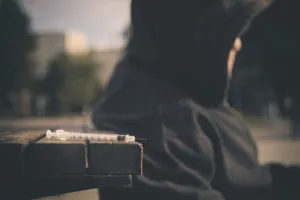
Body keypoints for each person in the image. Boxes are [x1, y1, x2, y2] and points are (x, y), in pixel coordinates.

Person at [92, 0, 300, 200]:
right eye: (226, 30)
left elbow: (249, 180)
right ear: (186, 31)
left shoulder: (194, 97)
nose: (238, 44)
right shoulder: (157, 128)